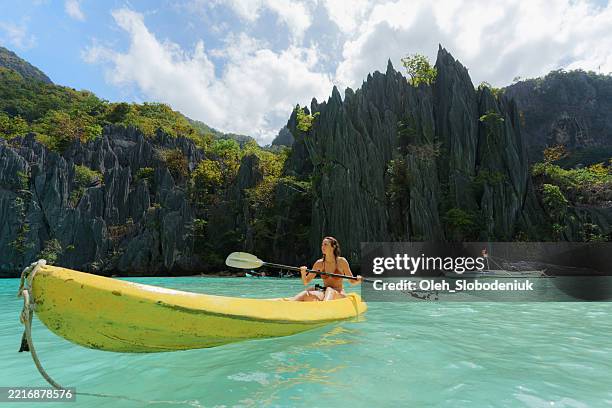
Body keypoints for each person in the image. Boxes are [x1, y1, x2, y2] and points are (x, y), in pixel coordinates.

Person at [291, 236, 362, 301]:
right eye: (322, 245)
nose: (322, 247)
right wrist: (303, 273)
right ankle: (289, 303)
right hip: (324, 290)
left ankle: (325, 306)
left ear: (333, 247)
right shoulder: (319, 263)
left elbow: (352, 281)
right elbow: (306, 281)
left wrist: (358, 280)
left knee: (329, 290)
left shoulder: (341, 261)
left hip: (338, 292)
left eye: (325, 244)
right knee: (308, 291)